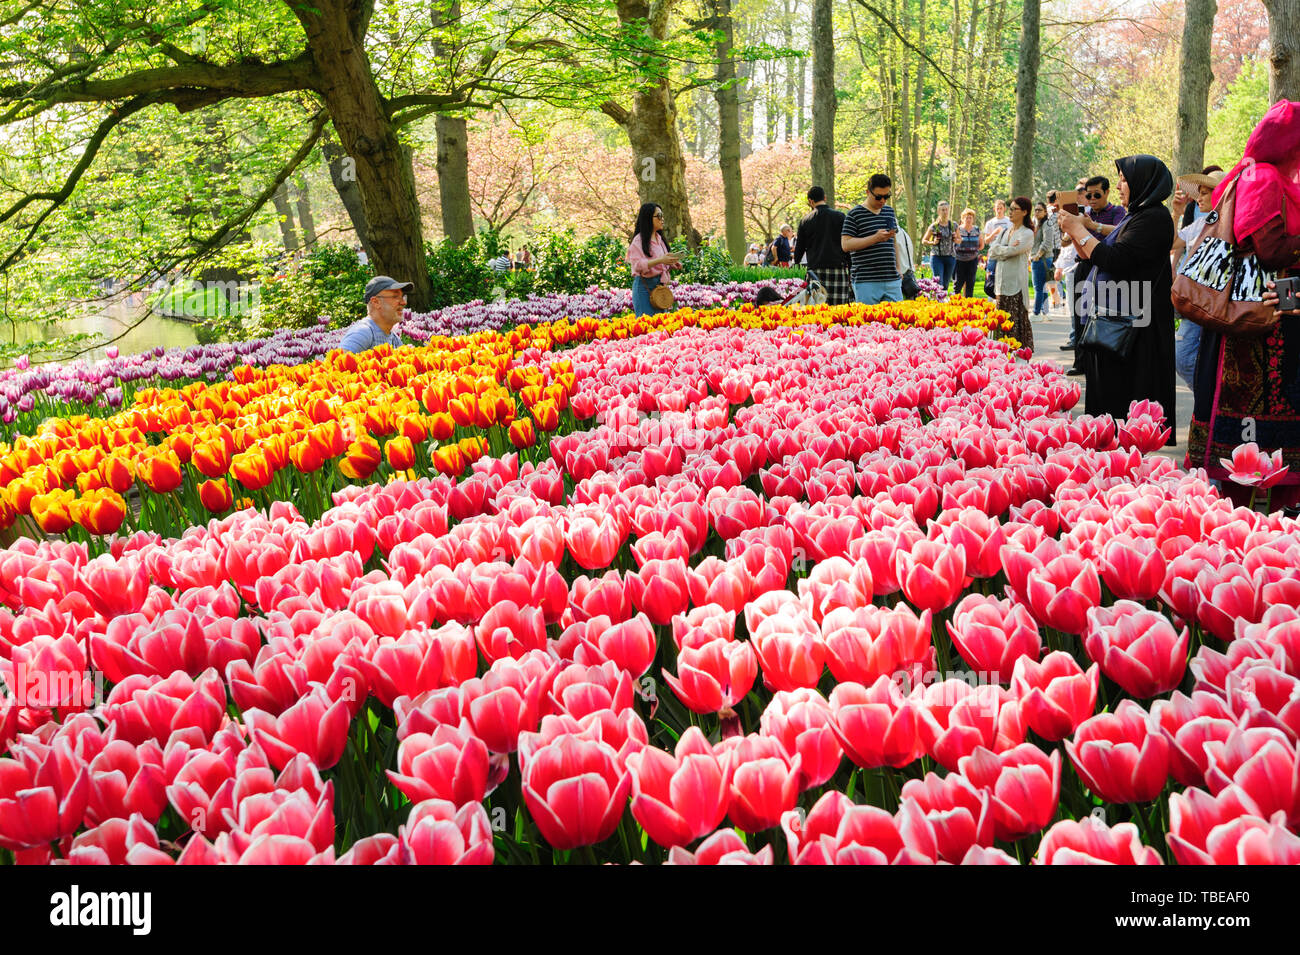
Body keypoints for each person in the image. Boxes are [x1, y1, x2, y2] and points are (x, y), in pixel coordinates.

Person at [1187, 100, 1300, 507]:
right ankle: (1254, 515)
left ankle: (1255, 509)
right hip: (1258, 323)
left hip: (1258, 314)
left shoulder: (1249, 174)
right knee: (1263, 415)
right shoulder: (1264, 179)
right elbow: (1270, 250)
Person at [1059, 155, 1177, 440]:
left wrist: (1079, 228)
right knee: (1107, 405)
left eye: (1125, 180)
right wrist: (1075, 233)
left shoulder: (1154, 218)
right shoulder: (1135, 216)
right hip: (1114, 321)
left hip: (1134, 329)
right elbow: (1096, 254)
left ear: (1143, 182)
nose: (1121, 185)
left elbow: (1117, 260)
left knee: (1124, 410)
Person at [1170, 169, 1226, 388]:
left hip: (1217, 305)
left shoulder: (1235, 223)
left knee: (1190, 358)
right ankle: (1210, 401)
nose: (1198, 197)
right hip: (1196, 302)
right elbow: (1173, 243)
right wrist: (1177, 213)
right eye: (1199, 192)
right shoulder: (1201, 223)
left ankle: (1210, 404)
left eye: (1205, 192)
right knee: (1183, 358)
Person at [842, 174, 902, 304]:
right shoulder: (854, 214)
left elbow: (894, 242)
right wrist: (874, 238)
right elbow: (846, 244)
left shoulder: (889, 212)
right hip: (866, 281)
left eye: (887, 196)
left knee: (898, 321)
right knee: (868, 322)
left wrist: (898, 267)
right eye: (878, 197)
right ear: (868, 192)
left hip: (892, 279)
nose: (882, 201)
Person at [987, 197, 1035, 350]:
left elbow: (1014, 251)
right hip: (1001, 285)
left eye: (1015, 209)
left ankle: (1019, 357)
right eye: (1011, 209)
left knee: (1015, 322)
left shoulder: (1027, 233)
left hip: (1016, 284)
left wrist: (1003, 250)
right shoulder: (1005, 232)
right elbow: (991, 251)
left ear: (1025, 212)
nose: (1011, 212)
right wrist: (1006, 249)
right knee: (1002, 324)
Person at [794, 186, 852, 305]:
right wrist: (850, 268)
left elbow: (799, 249)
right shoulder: (840, 217)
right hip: (838, 269)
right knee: (839, 310)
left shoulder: (805, 220)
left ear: (810, 201)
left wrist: (796, 263)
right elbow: (848, 244)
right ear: (825, 198)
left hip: (815, 271)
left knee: (817, 310)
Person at [626, 203, 682, 317]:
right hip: (644, 288)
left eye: (662, 216)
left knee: (661, 325)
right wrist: (660, 260)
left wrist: (671, 264)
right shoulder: (639, 241)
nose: (662, 219)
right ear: (648, 218)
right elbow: (637, 265)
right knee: (647, 326)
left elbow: (661, 263)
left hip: (660, 288)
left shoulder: (659, 239)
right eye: (659, 216)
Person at [340, 276, 412, 354]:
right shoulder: (363, 333)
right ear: (376, 302)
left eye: (403, 297)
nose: (404, 302)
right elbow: (338, 363)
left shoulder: (395, 339)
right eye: (395, 296)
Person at [1172, 164, 1224, 229]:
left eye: (1204, 193)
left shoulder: (1233, 221)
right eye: (1199, 193)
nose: (1198, 199)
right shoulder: (1199, 223)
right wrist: (1176, 214)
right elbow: (1176, 238)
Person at [922, 201, 958, 291]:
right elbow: (924, 241)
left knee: (945, 284)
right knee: (939, 283)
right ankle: (937, 302)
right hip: (937, 257)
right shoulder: (934, 226)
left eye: (946, 210)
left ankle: (943, 303)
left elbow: (959, 239)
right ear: (938, 211)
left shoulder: (953, 225)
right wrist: (933, 242)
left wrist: (956, 239)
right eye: (942, 210)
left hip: (950, 257)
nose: (945, 212)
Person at [1030, 202, 1054, 317]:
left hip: (1042, 259)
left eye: (1040, 210)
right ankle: (1045, 312)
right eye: (1035, 210)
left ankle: (1036, 313)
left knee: (1038, 288)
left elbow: (1047, 242)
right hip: (1039, 259)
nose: (1037, 212)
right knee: (1042, 287)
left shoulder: (1047, 224)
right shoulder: (1036, 224)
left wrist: (1037, 256)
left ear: (1045, 212)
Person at [953, 208, 983, 297]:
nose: (968, 220)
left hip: (972, 260)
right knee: (958, 283)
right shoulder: (958, 229)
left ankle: (968, 305)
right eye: (966, 217)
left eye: (970, 218)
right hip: (959, 260)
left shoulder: (977, 230)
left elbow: (981, 244)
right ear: (962, 219)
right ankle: (955, 304)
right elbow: (953, 243)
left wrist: (975, 251)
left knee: (970, 283)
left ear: (973, 219)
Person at [982, 200, 1011, 283]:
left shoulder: (1009, 221)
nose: (999, 210)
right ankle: (990, 293)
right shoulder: (990, 223)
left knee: (1005, 276)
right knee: (991, 274)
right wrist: (994, 233)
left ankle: (1003, 295)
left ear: (1004, 209)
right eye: (997, 208)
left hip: (1005, 251)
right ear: (994, 209)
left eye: (1001, 208)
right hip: (993, 251)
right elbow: (986, 241)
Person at [1044, 191, 1063, 308]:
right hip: (1055, 246)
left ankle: (1055, 300)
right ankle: (1056, 300)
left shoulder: (1042, 211)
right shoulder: (1056, 212)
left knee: (1050, 274)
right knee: (1052, 274)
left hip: (1047, 246)